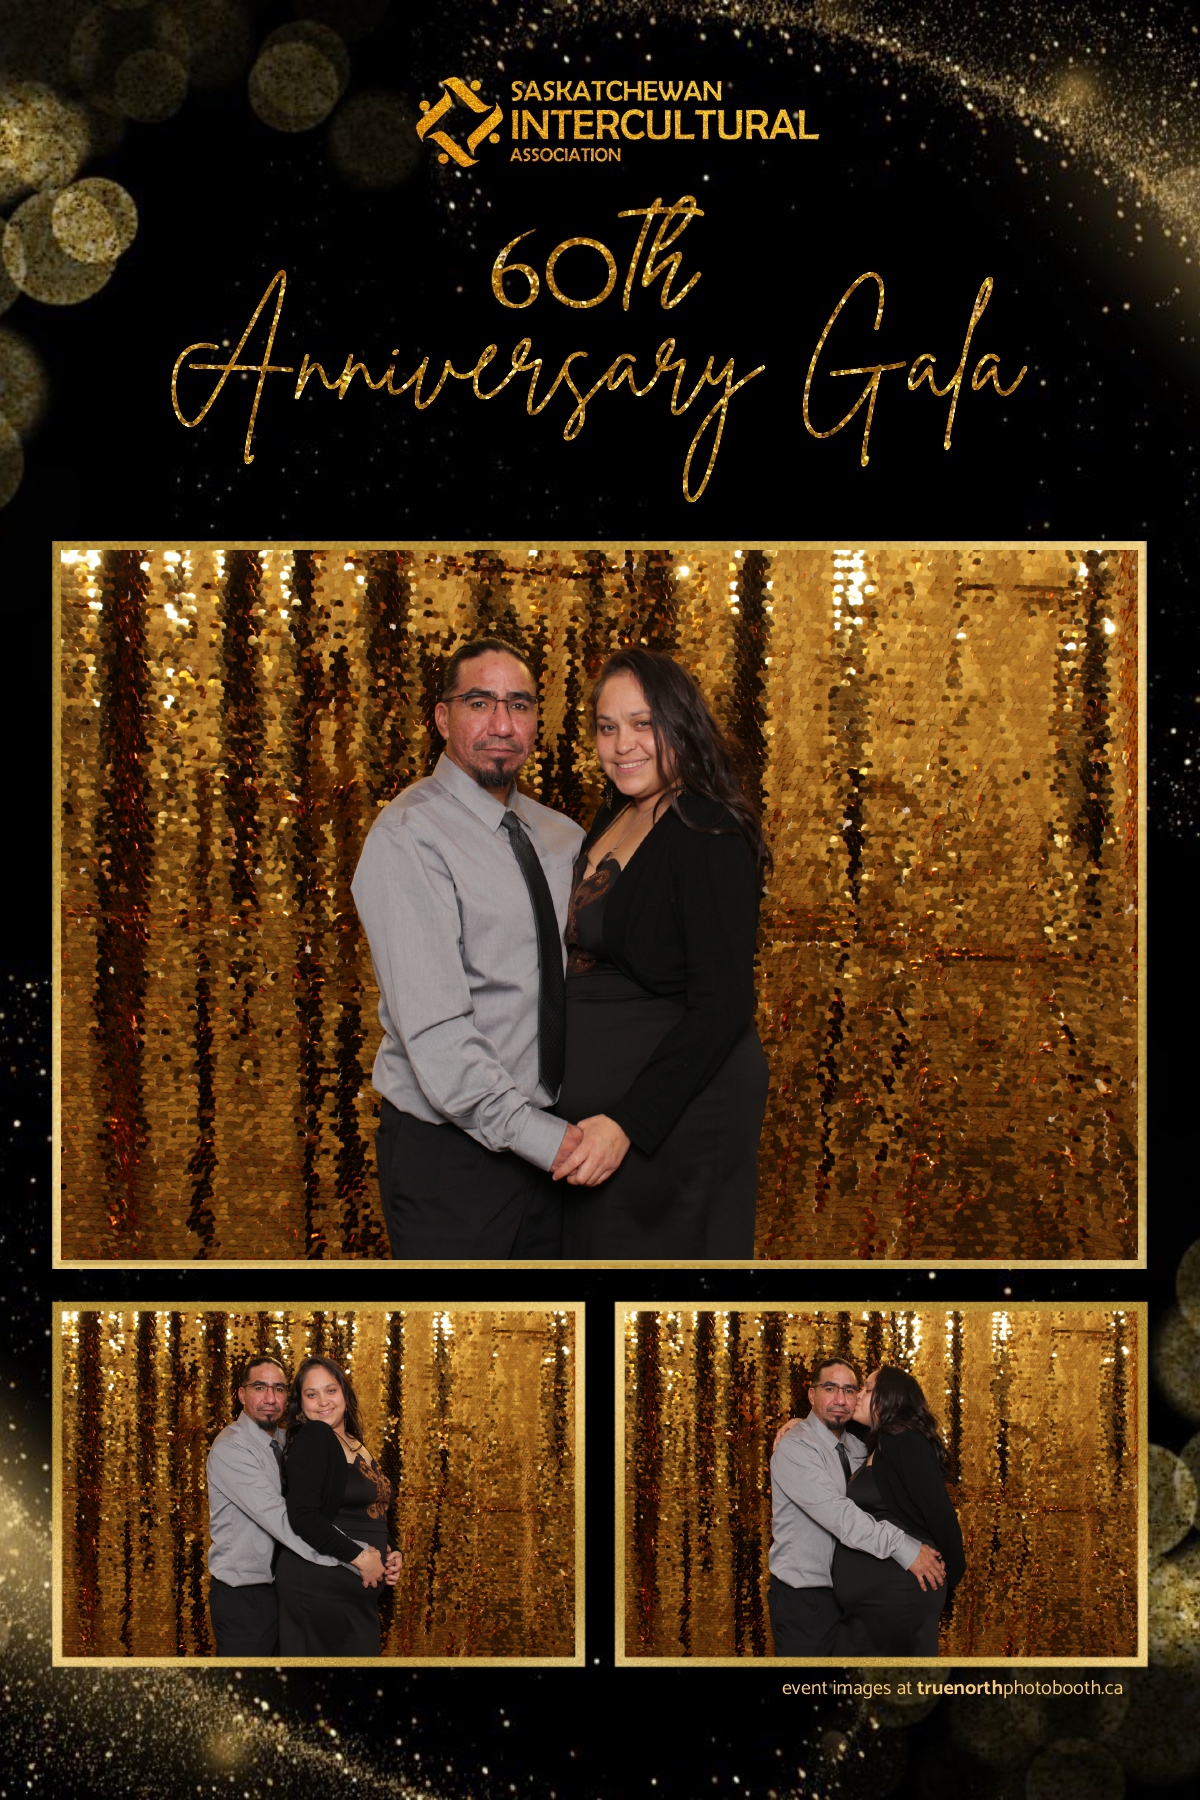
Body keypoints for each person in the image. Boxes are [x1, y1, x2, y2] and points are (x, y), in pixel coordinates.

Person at [352, 638, 585, 1259]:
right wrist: (542, 1138)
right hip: (452, 1160)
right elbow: (435, 1029)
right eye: (480, 703)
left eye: (519, 705)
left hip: (559, 1151)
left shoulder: (565, 838)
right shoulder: (409, 836)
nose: (502, 725)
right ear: (442, 717)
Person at [549, 647, 770, 1259]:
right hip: (613, 1115)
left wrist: (628, 1123)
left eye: (643, 724)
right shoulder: (616, 811)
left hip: (680, 1115)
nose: (623, 745)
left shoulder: (708, 830)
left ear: (680, 724)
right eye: (607, 727)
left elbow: (724, 1004)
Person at [205, 1353, 394, 1657]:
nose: (270, 1398)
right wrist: (358, 1556)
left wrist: (385, 1550)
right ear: (241, 1394)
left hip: (285, 1587)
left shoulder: (291, 1441)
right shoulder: (232, 1447)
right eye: (259, 1388)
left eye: (279, 1389)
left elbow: (340, 1508)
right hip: (247, 1595)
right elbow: (287, 1520)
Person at [768, 1357, 946, 1656]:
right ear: (811, 1395)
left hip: (853, 1605)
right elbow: (839, 1514)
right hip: (805, 1598)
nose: (840, 1399)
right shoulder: (795, 1446)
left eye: (850, 1390)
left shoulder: (861, 1448)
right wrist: (905, 1548)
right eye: (830, 1388)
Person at [831, 1364, 966, 1656]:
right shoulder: (879, 1442)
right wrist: (799, 1424)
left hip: (900, 1599)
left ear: (889, 1397)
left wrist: (948, 1577)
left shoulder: (906, 1441)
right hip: (875, 1609)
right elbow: (832, 1425)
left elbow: (941, 1515)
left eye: (867, 1389)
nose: (857, 1395)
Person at [276, 1355, 399, 1657]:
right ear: (300, 1404)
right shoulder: (315, 1435)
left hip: (350, 1594)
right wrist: (361, 1558)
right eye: (311, 1394)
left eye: (330, 1390)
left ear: (344, 1392)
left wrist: (392, 1552)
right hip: (320, 1587)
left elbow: (372, 1509)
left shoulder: (355, 1442)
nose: (323, 1402)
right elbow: (302, 1515)